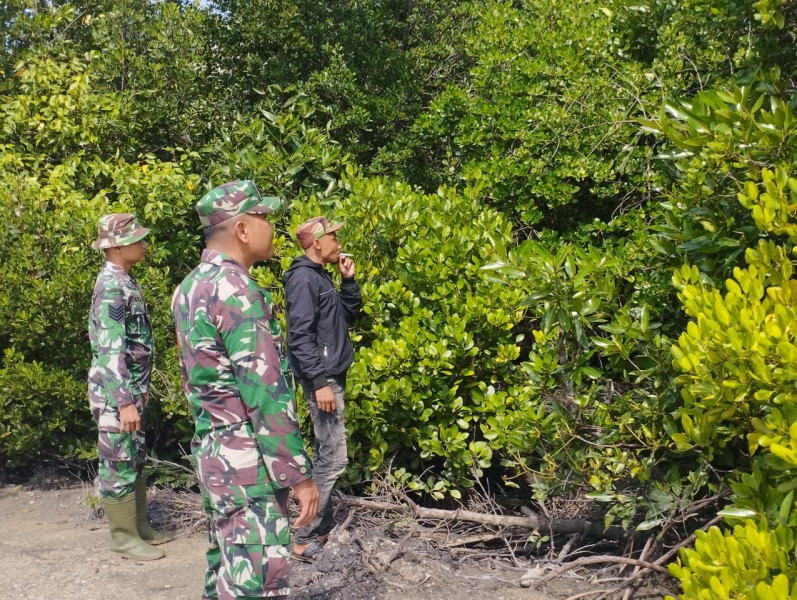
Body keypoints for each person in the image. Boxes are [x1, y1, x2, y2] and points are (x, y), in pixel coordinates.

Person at [171, 180, 319, 600]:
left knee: (228, 569)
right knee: (257, 577)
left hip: (215, 452)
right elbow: (263, 392)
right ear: (241, 228)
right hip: (247, 459)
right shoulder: (236, 290)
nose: (271, 227)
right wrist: (296, 473)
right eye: (264, 218)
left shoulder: (189, 287)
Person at [88, 213, 173, 561]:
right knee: (118, 459)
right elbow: (110, 349)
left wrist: (138, 390)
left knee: (133, 456)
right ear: (117, 246)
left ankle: (138, 527)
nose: (143, 244)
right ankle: (123, 537)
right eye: (136, 239)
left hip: (129, 391)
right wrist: (123, 401)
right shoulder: (111, 286)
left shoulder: (124, 279)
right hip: (115, 394)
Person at [283, 216, 362, 561]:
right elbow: (298, 337)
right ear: (316, 242)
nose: (338, 241)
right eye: (333, 236)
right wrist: (319, 384)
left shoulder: (320, 275)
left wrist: (349, 281)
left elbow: (348, 314)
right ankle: (303, 537)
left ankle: (322, 529)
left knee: (329, 454)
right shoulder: (302, 279)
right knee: (332, 458)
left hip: (330, 375)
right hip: (323, 379)